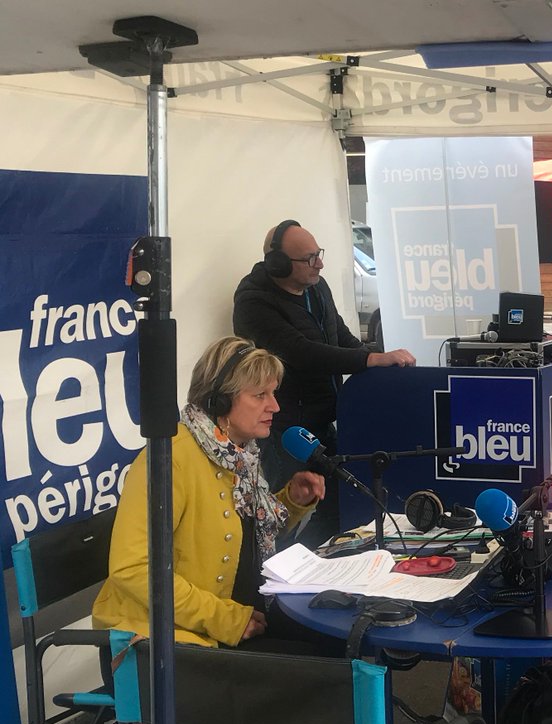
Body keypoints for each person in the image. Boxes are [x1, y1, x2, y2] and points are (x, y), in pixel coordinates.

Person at [93, 337, 326, 648]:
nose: (275, 406)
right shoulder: (169, 460)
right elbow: (132, 568)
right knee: (326, 669)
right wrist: (223, 618)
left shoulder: (239, 455)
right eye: (260, 395)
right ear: (220, 401)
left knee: (335, 645)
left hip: (239, 620)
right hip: (166, 643)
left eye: (273, 393)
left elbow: (247, 539)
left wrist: (291, 502)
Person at [233, 220, 416, 548]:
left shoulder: (317, 287)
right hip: (281, 430)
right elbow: (302, 353)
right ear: (279, 264)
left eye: (319, 254)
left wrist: (374, 357)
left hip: (322, 421)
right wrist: (368, 361)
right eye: (310, 258)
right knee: (278, 517)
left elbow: (340, 337)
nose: (320, 263)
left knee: (333, 502)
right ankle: (275, 582)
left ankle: (313, 567)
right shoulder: (253, 302)